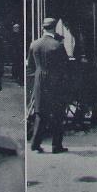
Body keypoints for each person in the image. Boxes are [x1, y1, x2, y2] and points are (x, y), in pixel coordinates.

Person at [27, 17, 70, 153]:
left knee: (40, 114)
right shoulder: (58, 45)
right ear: (54, 28)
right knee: (58, 115)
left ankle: (35, 144)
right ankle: (56, 146)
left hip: (39, 82)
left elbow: (30, 67)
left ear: (42, 28)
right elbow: (65, 67)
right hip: (55, 83)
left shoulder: (34, 44)